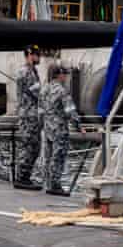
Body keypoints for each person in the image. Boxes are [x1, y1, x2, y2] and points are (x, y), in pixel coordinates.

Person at [40, 65, 85, 196]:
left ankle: (48, 183)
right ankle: (55, 185)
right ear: (59, 75)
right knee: (58, 157)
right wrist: (79, 126)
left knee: (48, 157)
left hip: (47, 128)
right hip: (59, 129)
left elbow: (40, 110)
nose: (66, 77)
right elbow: (70, 110)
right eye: (64, 74)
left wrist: (42, 125)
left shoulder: (44, 89)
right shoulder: (62, 90)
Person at [14, 45, 44, 190]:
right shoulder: (25, 72)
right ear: (30, 55)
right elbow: (38, 94)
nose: (39, 57)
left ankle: (25, 176)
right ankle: (21, 178)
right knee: (28, 147)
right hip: (28, 116)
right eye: (37, 54)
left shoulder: (32, 71)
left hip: (33, 115)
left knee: (35, 147)